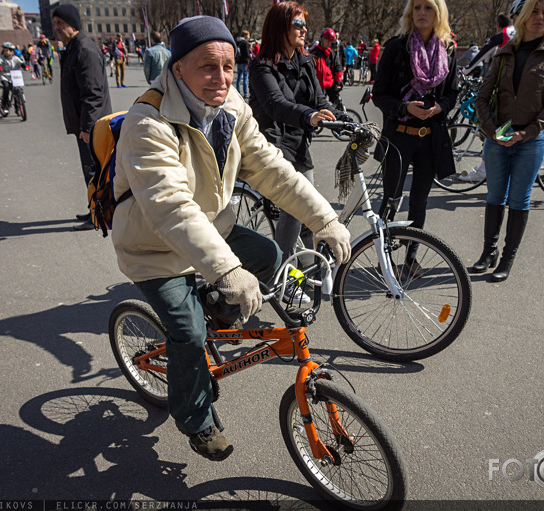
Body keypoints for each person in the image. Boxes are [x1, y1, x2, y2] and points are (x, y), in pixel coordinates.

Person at [111, 14, 351, 461]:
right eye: (207, 66)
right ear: (177, 68)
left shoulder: (231, 107)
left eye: (227, 65)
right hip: (155, 248)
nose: (221, 77)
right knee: (187, 333)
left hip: (212, 230)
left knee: (272, 255)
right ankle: (196, 418)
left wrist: (325, 220)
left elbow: (273, 170)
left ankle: (215, 307)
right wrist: (226, 270)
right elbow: (171, 209)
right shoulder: (148, 122)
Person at [249, 1, 350, 304]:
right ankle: (279, 280)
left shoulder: (305, 62)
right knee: (295, 213)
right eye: (298, 24)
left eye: (305, 24)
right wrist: (309, 116)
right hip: (271, 147)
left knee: (307, 210)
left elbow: (321, 101)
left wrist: (346, 122)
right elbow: (275, 105)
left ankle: (308, 265)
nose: (305, 30)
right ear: (280, 27)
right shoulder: (261, 66)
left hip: (298, 145)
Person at [472, 0, 544, 282]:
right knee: (494, 196)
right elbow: (482, 97)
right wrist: (493, 132)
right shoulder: (504, 52)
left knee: (519, 200)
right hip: (498, 137)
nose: (539, 17)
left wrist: (526, 133)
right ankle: (488, 252)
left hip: (530, 140)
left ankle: (507, 257)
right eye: (534, 11)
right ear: (523, 16)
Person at [372, 0, 458, 278]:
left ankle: (410, 258)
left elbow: (452, 92)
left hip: (430, 139)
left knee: (419, 202)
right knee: (390, 199)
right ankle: (384, 259)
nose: (422, 13)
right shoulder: (397, 46)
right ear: (411, 12)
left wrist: (440, 107)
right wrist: (403, 108)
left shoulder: (448, 49)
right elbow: (380, 93)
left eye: (428, 8)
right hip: (399, 136)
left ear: (438, 13)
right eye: (417, 7)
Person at [52, 4, 112, 231]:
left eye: (60, 23)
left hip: (92, 125)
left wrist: (87, 127)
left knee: (94, 170)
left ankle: (99, 215)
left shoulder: (84, 50)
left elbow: (93, 93)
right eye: (55, 23)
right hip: (85, 124)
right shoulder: (74, 48)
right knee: (91, 171)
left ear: (72, 24)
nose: (56, 28)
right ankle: (94, 210)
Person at [311, 28, 343, 103]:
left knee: (338, 104)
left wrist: (338, 82)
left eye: (331, 42)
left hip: (330, 84)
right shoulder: (314, 53)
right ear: (322, 39)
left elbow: (338, 68)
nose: (329, 44)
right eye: (328, 41)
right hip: (318, 86)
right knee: (320, 106)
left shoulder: (331, 54)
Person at [0, 42, 25, 114]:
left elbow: (21, 63)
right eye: (4, 50)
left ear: (12, 51)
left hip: (13, 76)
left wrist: (25, 67)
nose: (5, 52)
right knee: (6, 88)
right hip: (4, 76)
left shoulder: (15, 58)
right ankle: (5, 105)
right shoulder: (2, 58)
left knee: (16, 90)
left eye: (7, 50)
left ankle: (17, 108)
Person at [235, 30, 252, 98]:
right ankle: (245, 93)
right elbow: (247, 54)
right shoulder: (245, 43)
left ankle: (238, 91)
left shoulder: (237, 42)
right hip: (245, 63)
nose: (249, 37)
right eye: (248, 35)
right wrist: (250, 56)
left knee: (238, 78)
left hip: (239, 62)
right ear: (245, 36)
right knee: (245, 78)